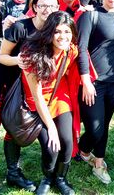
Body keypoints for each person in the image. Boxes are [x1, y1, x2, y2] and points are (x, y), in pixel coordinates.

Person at [0, 0, 59, 192]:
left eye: (51, 5)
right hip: (1, 77)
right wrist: (18, 60)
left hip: (22, 83)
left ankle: (13, 173)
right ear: (34, 7)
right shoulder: (20, 27)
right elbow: (2, 56)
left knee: (15, 122)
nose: (47, 9)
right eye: (42, 5)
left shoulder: (53, 28)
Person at [20, 11, 78, 195]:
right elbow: (37, 97)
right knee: (51, 147)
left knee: (67, 142)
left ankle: (61, 179)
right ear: (49, 33)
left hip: (59, 98)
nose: (63, 36)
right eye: (58, 32)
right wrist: (51, 127)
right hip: (37, 103)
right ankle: (47, 178)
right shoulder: (31, 55)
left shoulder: (71, 50)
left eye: (67, 32)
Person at [77, 0, 114, 184]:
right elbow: (80, 49)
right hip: (93, 82)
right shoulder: (91, 16)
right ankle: (83, 149)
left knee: (105, 124)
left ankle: (99, 163)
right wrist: (86, 81)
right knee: (95, 129)